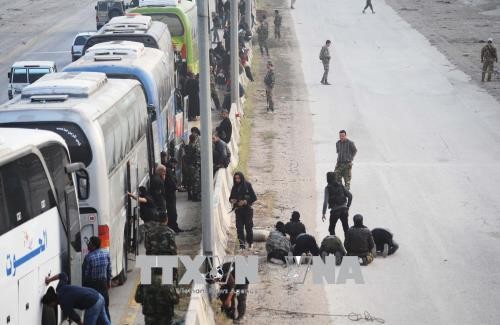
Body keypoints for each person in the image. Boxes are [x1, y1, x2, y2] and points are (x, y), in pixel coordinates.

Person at [43, 272, 110, 325]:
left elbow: (76, 317)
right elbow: (63, 275)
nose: (50, 307)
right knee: (105, 322)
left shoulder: (64, 304)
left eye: (48, 305)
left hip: (93, 304)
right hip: (99, 296)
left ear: (52, 302)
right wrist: (49, 280)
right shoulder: (60, 288)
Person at [82, 236, 112, 322]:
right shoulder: (106, 253)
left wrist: (83, 287)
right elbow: (109, 269)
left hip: (92, 286)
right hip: (103, 285)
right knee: (105, 308)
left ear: (94, 246)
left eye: (90, 243)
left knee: (94, 309)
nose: (88, 245)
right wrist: (109, 281)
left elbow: (85, 275)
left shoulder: (89, 257)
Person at [229, 171, 257, 249]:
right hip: (238, 211)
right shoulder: (234, 187)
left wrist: (245, 202)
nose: (237, 180)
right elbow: (230, 197)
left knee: (248, 227)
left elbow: (254, 198)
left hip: (247, 210)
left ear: (242, 178)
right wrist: (232, 200)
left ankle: (250, 243)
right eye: (236, 178)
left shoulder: (248, 185)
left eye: (238, 178)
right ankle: (242, 245)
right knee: (239, 228)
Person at [322, 171, 352, 236]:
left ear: (327, 179)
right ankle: (348, 244)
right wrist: (348, 206)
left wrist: (323, 213)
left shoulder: (327, 188)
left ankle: (334, 243)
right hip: (344, 209)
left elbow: (325, 202)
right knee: (346, 228)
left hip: (335, 211)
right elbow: (350, 196)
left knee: (331, 229)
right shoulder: (341, 185)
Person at [164, 164, 182, 233]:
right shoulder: (169, 172)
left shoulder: (169, 171)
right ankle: (174, 228)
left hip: (170, 196)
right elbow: (172, 183)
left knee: (173, 213)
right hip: (170, 196)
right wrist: (176, 187)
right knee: (173, 213)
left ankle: (174, 227)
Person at [184, 133, 201, 201]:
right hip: (193, 166)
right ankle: (195, 197)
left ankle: (189, 195)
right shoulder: (195, 147)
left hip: (187, 166)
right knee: (195, 182)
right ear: (195, 139)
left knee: (189, 181)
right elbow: (197, 157)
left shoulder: (187, 146)